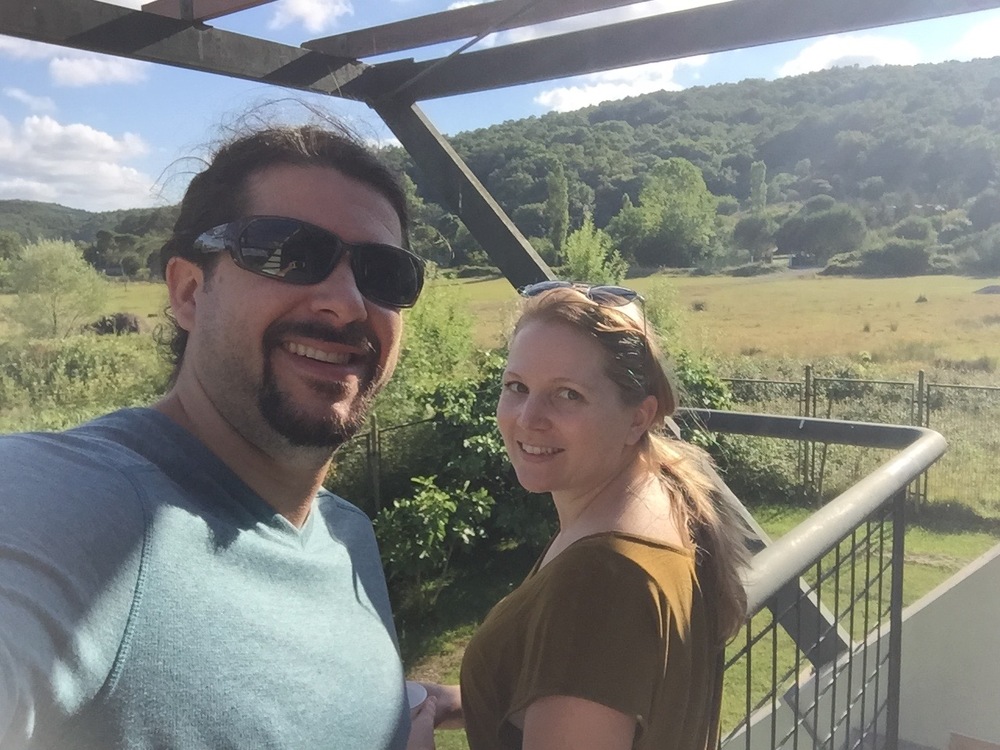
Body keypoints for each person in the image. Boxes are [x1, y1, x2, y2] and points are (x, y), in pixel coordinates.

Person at [0, 120, 436, 749]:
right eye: (288, 252)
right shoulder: (76, 506)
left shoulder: (347, 536)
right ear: (188, 291)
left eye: (382, 273)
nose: (345, 301)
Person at [424, 281, 750, 750]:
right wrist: (459, 701)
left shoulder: (600, 579)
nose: (528, 417)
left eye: (568, 395)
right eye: (516, 386)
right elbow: (594, 682)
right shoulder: (670, 500)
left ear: (638, 418)